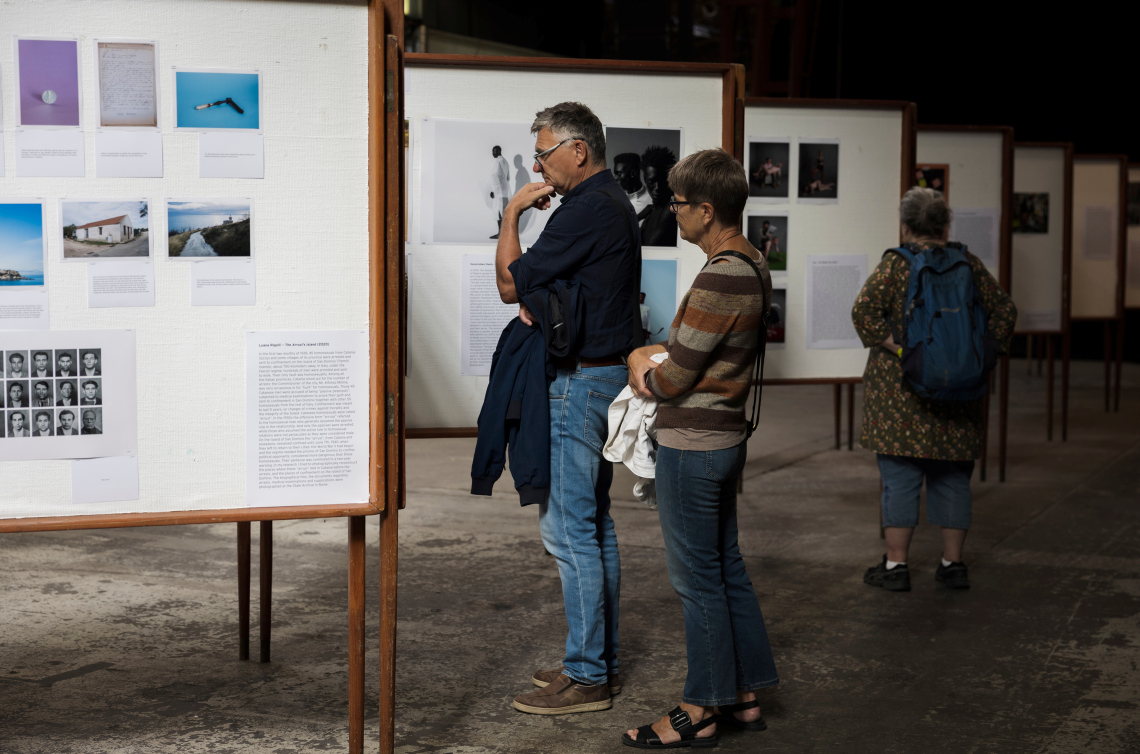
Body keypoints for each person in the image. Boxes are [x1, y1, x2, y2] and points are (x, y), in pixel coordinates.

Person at [624, 148, 778, 748]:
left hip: (694, 442)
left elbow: (673, 377)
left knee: (697, 580)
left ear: (707, 209)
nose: (673, 211)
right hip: (723, 437)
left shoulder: (720, 274)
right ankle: (741, 695)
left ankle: (700, 706)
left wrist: (641, 362)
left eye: (680, 203)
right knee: (725, 568)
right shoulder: (751, 263)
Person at [493, 101, 640, 716]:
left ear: (579, 150)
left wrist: (511, 213)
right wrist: (543, 290)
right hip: (601, 377)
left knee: (568, 529)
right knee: (593, 526)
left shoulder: (583, 210)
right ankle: (593, 660)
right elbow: (545, 287)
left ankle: (587, 678)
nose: (538, 167)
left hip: (578, 384)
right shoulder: (611, 205)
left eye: (545, 153)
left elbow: (508, 284)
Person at [852, 187, 1017, 592]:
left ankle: (896, 567)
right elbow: (1004, 311)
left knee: (901, 478)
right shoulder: (969, 264)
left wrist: (902, 349)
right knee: (953, 478)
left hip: (900, 397)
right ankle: (953, 563)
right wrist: (976, 356)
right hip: (960, 394)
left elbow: (864, 311)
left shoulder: (896, 266)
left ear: (905, 225)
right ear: (946, 225)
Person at [640, 145, 678, 246]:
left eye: (663, 181)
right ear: (645, 180)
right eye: (652, 181)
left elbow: (648, 249)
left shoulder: (671, 209)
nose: (657, 187)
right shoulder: (652, 210)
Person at [613, 152, 652, 220]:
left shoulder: (652, 200)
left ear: (633, 173)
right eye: (615, 174)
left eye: (619, 174)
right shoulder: (617, 202)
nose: (615, 178)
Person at [489, 145, 511, 239]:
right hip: (505, 190)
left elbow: (495, 175)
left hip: (499, 191)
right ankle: (503, 233)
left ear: (498, 151)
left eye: (493, 151)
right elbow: (508, 177)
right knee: (503, 211)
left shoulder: (498, 161)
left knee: (499, 212)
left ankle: (501, 233)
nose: (492, 153)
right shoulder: (505, 161)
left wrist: (494, 190)